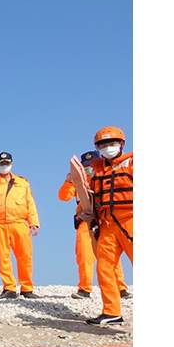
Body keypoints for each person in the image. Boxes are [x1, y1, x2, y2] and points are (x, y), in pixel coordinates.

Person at [58, 151, 130, 299]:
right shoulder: (79, 182)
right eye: (86, 167)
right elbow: (63, 197)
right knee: (84, 255)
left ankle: (121, 288)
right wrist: (69, 181)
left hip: (105, 220)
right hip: (85, 222)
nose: (89, 169)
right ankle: (85, 288)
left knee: (111, 255)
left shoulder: (106, 178)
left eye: (92, 166)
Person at [0, 152, 42, 299]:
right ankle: (9, 288)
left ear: (11, 164)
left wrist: (34, 223)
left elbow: (30, 204)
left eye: (6, 163)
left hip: (20, 223)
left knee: (25, 256)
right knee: (3, 257)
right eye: (1, 164)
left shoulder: (23, 183)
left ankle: (27, 288)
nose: (4, 166)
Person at [85, 126, 133, 325]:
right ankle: (112, 311)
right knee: (104, 267)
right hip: (106, 224)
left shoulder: (133, 163)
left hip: (132, 220)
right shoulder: (96, 169)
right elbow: (90, 194)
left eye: (112, 143)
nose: (108, 147)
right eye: (103, 144)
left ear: (122, 144)